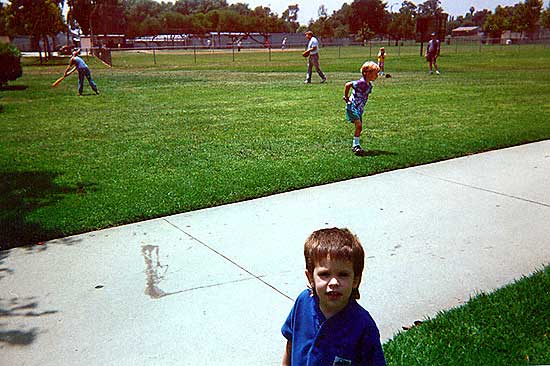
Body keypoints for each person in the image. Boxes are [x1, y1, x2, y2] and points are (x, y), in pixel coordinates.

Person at [281, 227, 386, 366]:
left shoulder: (363, 326)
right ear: (310, 277)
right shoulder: (303, 303)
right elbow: (290, 343)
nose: (334, 282)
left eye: (343, 274)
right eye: (324, 274)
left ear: (355, 280)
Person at [343, 61, 380, 156]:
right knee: (359, 125)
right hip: (352, 106)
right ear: (366, 73)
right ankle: (356, 146)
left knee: (359, 127)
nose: (377, 76)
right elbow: (348, 84)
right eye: (375, 73)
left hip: (359, 109)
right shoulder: (361, 83)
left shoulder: (369, 85)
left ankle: (356, 144)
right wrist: (346, 97)